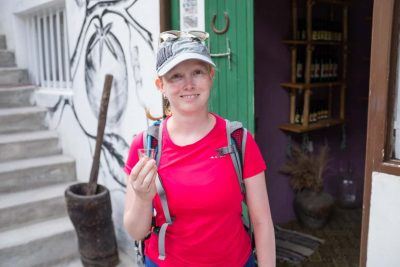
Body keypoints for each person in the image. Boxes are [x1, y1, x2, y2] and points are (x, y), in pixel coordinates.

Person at [124, 30, 275, 267]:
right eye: (175, 76)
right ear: (160, 85)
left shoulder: (238, 140)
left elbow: (262, 221)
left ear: (211, 76)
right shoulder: (145, 146)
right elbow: (135, 231)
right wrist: (143, 199)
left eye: (197, 72)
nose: (189, 84)